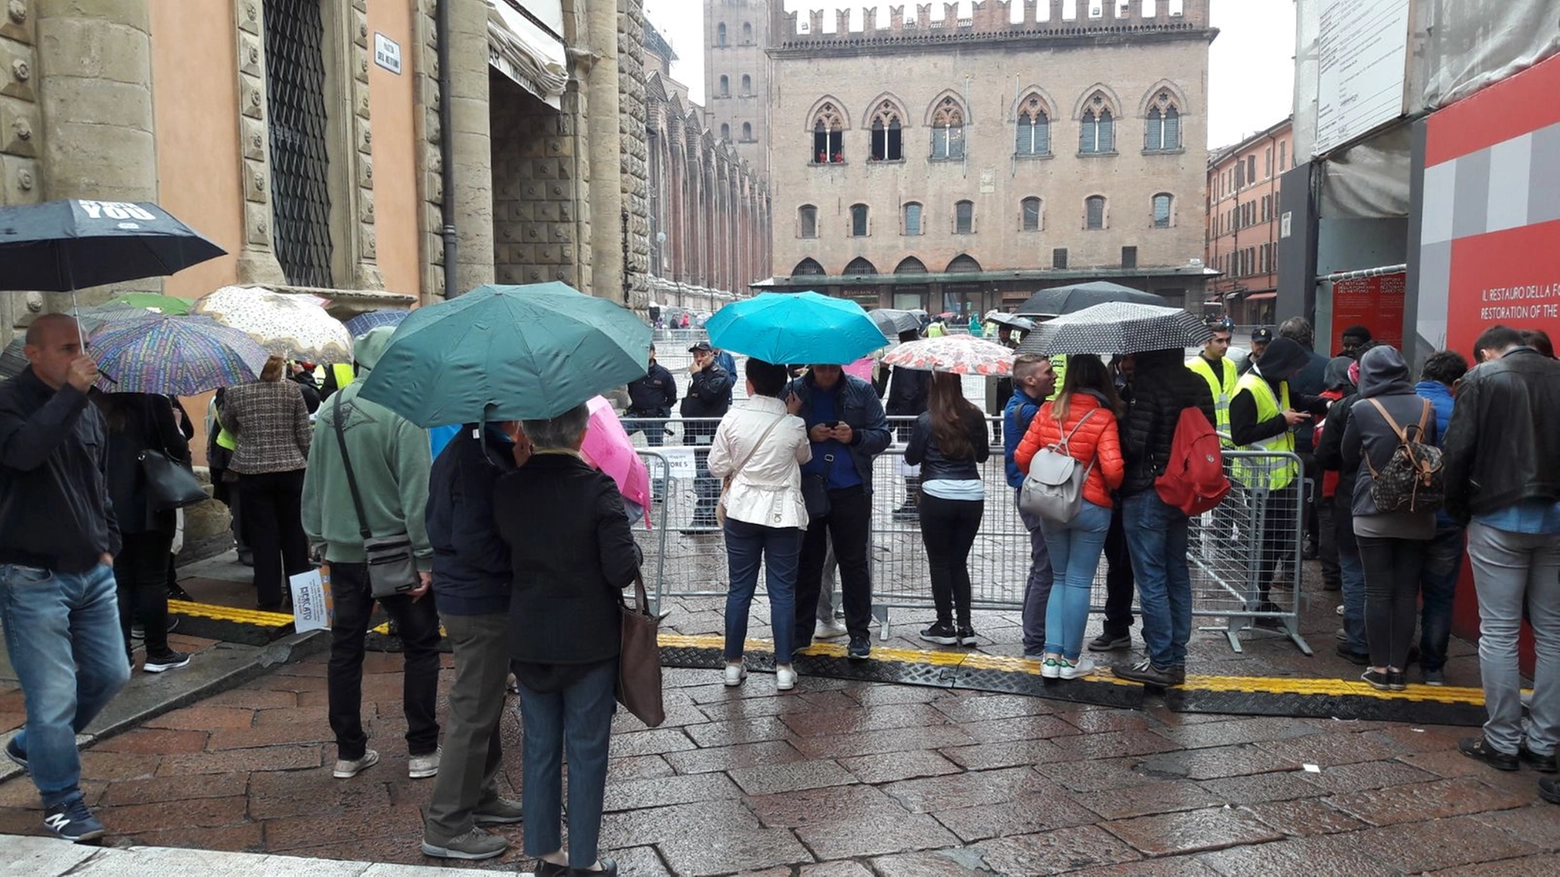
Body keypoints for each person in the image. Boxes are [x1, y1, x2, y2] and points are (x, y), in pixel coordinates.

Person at [0, 315, 131, 843]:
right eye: (66, 347)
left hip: (91, 570)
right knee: (53, 695)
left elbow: (96, 481)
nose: (80, 356)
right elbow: (24, 454)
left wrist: (110, 543)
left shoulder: (86, 409)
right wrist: (70, 395)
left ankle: (35, 742)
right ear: (34, 353)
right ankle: (62, 801)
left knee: (112, 673)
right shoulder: (9, 401)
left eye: (82, 346)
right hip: (29, 575)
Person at [495, 402, 641, 877]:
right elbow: (620, 569)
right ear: (581, 435)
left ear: (531, 432)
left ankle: (547, 853)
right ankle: (585, 859)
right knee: (587, 747)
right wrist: (631, 545)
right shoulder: (598, 489)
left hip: (530, 635)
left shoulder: (508, 487)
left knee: (539, 745)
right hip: (588, 640)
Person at [300, 329, 441, 782]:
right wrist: (426, 557)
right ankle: (421, 749)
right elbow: (416, 492)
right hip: (397, 552)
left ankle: (348, 751)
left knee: (345, 649)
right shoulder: (405, 411)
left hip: (342, 553)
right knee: (420, 647)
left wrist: (317, 536)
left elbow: (313, 480)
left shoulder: (330, 409)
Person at [1442, 326, 1560, 799]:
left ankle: (1503, 739)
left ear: (1489, 349)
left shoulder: (1483, 378)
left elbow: (1458, 450)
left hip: (1498, 514)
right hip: (1555, 518)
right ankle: (1546, 740)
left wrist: (1458, 509)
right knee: (1553, 632)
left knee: (1500, 630)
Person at [420, 419, 529, 860]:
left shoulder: (480, 450)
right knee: (472, 710)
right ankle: (446, 824)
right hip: (478, 600)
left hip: (476, 596)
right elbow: (476, 542)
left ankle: (481, 794)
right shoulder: (474, 460)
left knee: (485, 704)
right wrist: (523, 558)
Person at [1014, 355, 1125, 680]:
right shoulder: (1103, 416)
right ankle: (1072, 661)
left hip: (1053, 506)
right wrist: (1105, 484)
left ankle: (1050, 658)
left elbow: (1022, 457)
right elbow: (1115, 471)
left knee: (1058, 579)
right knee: (1078, 581)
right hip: (1091, 507)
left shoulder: (1049, 410)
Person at [1111, 348, 1216, 687]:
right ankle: (1176, 659)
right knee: (1177, 574)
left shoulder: (1148, 386)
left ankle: (1160, 661)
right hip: (1183, 491)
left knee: (1152, 579)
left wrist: (1123, 414)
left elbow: (1134, 444)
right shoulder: (1198, 382)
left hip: (1148, 490)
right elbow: (1208, 431)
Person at [707, 359, 811, 690]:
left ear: (748, 382)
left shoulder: (732, 417)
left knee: (739, 589)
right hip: (783, 515)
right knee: (782, 591)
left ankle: (733, 666)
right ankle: (783, 668)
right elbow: (804, 458)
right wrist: (793, 417)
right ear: (783, 384)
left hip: (741, 511)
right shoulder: (793, 424)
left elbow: (715, 466)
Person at [1342, 346, 1437, 691]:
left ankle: (1379, 668)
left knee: (1377, 590)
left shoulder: (1363, 408)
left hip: (1373, 509)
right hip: (1418, 511)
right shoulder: (1427, 407)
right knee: (1407, 592)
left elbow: (1346, 455)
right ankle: (1399, 668)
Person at [788, 362, 892, 661]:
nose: (827, 374)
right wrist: (808, 433)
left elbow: (882, 435)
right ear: (812, 366)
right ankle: (800, 630)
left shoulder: (861, 390)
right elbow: (778, 434)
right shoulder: (794, 392)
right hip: (808, 489)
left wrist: (854, 436)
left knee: (854, 563)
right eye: (822, 369)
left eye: (833, 369)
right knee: (808, 563)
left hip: (852, 489)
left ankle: (859, 633)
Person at [1228, 336, 1329, 628]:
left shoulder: (1278, 382)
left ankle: (1261, 597)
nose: (1295, 374)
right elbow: (1241, 434)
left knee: (1275, 541)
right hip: (1259, 480)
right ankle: (1257, 600)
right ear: (1281, 364)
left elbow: (1298, 400)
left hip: (1281, 477)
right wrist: (1282, 421)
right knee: (1265, 543)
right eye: (1293, 368)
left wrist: (1326, 404)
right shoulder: (1248, 388)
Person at [94, 392, 191, 674]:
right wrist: (175, 425)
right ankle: (158, 653)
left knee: (120, 582)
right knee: (152, 580)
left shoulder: (92, 402)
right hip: (151, 502)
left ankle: (120, 655)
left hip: (108, 502)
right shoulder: (155, 402)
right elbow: (177, 450)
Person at [221, 355, 313, 610]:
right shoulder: (293, 390)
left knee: (263, 538)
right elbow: (304, 434)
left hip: (253, 471)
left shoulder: (235, 391)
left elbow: (228, 426)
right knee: (295, 536)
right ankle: (301, 600)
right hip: (291, 469)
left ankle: (269, 598)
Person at [906, 371, 990, 647]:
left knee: (939, 562)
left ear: (933, 387)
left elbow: (911, 457)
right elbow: (982, 455)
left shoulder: (926, 420)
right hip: (971, 494)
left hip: (937, 493)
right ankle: (965, 626)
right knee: (958, 561)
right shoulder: (975, 415)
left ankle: (944, 624)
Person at [1413, 351, 1469, 687]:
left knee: (1401, 588)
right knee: (1439, 595)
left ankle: (1393, 658)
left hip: (1405, 512)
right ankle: (1433, 667)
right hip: (1447, 516)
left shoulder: (1402, 405)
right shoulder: (1461, 411)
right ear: (1456, 382)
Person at [1316, 358, 1369, 664]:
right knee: (1395, 578)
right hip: (1405, 504)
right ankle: (1397, 645)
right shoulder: (1418, 406)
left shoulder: (1345, 407)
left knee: (1354, 571)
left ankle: (1359, 641)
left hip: (1353, 498)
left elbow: (1328, 457)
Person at [1004, 355, 1058, 659]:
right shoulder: (1025, 411)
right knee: (1045, 568)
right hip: (1035, 494)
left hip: (1032, 493)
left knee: (1040, 566)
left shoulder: (1022, 406)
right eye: (1048, 372)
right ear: (1030, 380)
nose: (1054, 377)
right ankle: (1035, 641)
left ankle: (1033, 632)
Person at [1094, 355, 1137, 653]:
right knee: (1120, 565)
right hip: (1122, 494)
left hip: (1136, 490)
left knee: (1133, 565)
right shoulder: (1118, 399)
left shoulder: (1138, 397)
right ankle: (1118, 625)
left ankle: (1125, 627)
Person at [1279, 318, 1330, 560]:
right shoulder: (1326, 365)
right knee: (1319, 500)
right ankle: (1318, 545)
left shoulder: (1280, 369)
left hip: (1291, 445)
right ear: (1310, 337)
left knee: (1293, 505)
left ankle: (1292, 555)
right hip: (1321, 443)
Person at [679, 341, 732, 531]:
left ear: (712, 354)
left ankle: (703, 518)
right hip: (694, 432)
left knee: (705, 475)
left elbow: (709, 394)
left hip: (708, 433)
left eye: (702, 355)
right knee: (702, 475)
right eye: (695, 356)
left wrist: (696, 374)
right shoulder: (700, 376)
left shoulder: (720, 375)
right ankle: (708, 514)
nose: (698, 359)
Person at [1315, 356, 1355, 593]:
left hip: (1330, 475)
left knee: (1327, 522)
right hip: (1352, 478)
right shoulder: (1358, 402)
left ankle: (1331, 574)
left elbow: (1319, 441)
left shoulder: (1326, 401)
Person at [882, 330, 931, 521]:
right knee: (917, 462)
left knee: (910, 462)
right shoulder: (922, 355)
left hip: (909, 419)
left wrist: (894, 418)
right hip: (921, 415)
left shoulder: (908, 357)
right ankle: (916, 501)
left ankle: (914, 502)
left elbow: (907, 392)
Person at [624, 345, 677, 501]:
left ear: (653, 353)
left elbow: (672, 398)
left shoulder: (664, 374)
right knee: (616, 435)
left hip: (654, 419)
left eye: (647, 351)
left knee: (656, 455)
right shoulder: (634, 373)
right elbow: (630, 391)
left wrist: (660, 412)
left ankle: (659, 492)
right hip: (636, 416)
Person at [1187, 319, 1238, 444]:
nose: (1225, 345)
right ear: (1206, 342)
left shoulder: (1230, 365)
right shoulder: (1191, 367)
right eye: (1219, 341)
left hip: (1230, 440)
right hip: (1205, 439)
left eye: (1227, 340)